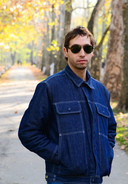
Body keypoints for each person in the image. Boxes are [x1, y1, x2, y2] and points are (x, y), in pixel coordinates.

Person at [18, 26, 117, 184]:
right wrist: (60, 154)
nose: (82, 53)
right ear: (66, 51)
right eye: (76, 48)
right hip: (62, 178)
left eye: (87, 48)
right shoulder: (49, 87)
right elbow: (28, 132)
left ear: (92, 51)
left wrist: (106, 151)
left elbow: (110, 128)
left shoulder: (101, 91)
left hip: (96, 178)